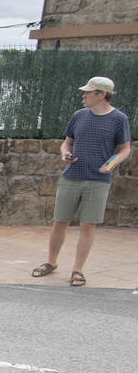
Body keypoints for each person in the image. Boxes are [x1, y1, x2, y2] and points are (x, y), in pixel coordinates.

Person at [33, 76, 131, 287]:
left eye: (88, 92)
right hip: (71, 177)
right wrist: (65, 154)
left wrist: (111, 163)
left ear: (101, 95)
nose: (83, 95)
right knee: (60, 221)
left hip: (98, 180)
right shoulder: (78, 116)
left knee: (88, 226)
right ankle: (51, 262)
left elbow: (125, 148)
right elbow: (66, 144)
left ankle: (78, 270)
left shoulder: (119, 119)